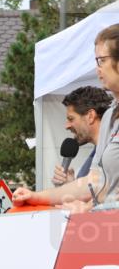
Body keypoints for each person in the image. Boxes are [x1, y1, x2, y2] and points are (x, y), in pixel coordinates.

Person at [14, 25, 119, 212]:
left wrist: (91, 208)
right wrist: (37, 196)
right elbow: (94, 181)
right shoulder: (111, 115)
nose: (97, 69)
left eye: (101, 60)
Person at [52, 86, 113, 185]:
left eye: (71, 119)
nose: (66, 126)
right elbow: (92, 193)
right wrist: (71, 184)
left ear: (90, 116)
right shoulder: (97, 152)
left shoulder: (113, 151)